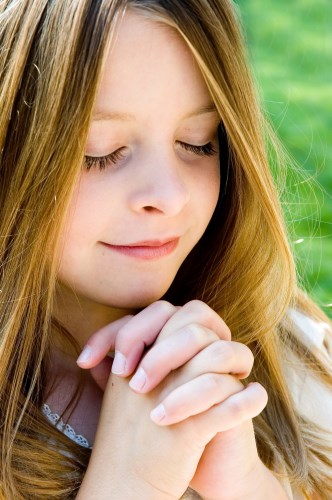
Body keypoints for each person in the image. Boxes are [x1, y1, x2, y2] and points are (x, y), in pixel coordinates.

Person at [0, 0, 331, 498]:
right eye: (101, 151)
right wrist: (129, 483)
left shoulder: (292, 357)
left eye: (198, 142)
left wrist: (245, 485)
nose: (170, 195)